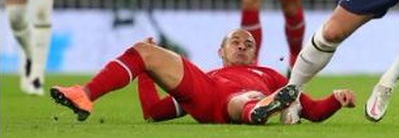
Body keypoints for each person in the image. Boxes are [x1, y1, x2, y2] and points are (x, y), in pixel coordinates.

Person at [50, 29, 356, 124]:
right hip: (207, 93)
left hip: (240, 101)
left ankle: (258, 111)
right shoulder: (205, 74)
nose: (242, 45)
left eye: (248, 44)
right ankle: (85, 94)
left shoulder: (269, 74)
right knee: (142, 51)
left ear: (255, 54)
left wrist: (335, 100)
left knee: (245, 98)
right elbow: (153, 114)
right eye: (235, 42)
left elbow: (313, 111)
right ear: (220, 50)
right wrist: (148, 73)